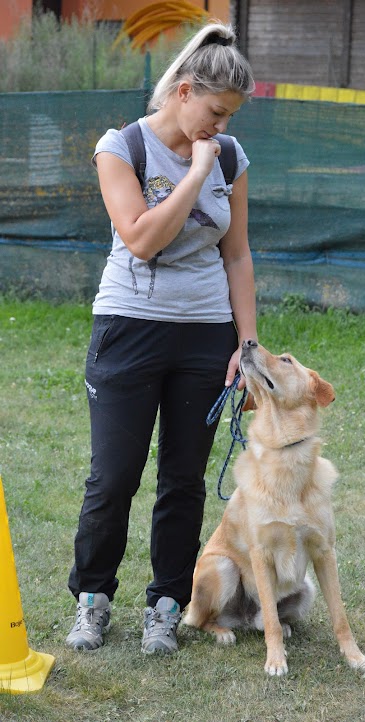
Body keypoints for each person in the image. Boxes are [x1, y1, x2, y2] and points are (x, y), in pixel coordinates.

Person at [66, 21, 257, 655]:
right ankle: (93, 601)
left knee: (183, 480)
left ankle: (166, 608)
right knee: (113, 477)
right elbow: (142, 239)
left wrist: (246, 344)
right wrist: (195, 176)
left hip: (205, 336)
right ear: (181, 91)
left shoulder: (230, 156)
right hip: (128, 327)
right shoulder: (121, 147)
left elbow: (237, 256)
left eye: (228, 118)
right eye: (215, 112)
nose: (220, 128)